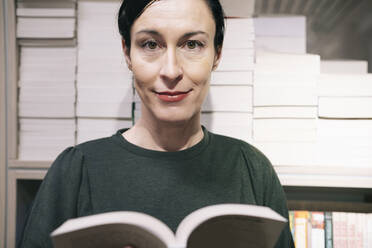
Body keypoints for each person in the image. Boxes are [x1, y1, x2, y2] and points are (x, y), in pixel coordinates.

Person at [19, 0, 295, 247]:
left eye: (192, 44)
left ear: (217, 54)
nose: (171, 70)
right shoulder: (75, 170)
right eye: (150, 44)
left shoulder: (252, 169)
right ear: (127, 53)